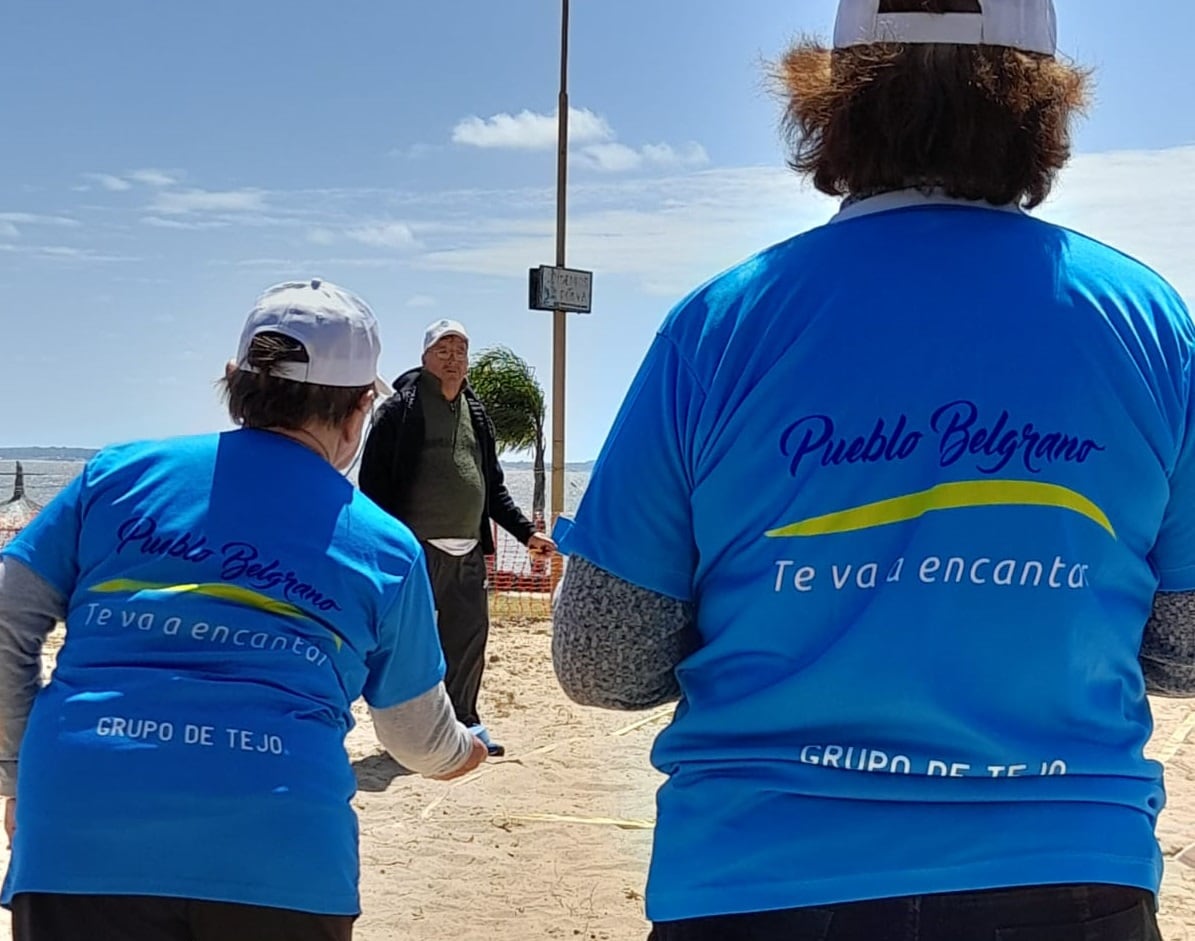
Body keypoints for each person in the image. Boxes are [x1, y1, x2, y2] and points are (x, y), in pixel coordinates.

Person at [552, 2, 1189, 938]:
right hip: (1063, 875)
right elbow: (1182, 646)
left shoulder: (720, 324)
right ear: (1046, 105)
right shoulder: (1147, 324)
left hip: (759, 878)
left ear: (833, 99)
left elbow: (603, 660)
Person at [0, 279, 487, 941]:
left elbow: (7, 618)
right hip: (280, 854)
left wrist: (17, 767)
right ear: (361, 408)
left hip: (79, 833)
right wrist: (461, 750)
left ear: (234, 382)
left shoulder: (113, 476)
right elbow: (412, 733)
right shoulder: (382, 544)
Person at [359, 319, 555, 758]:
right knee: (414, 642)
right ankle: (408, 731)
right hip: (416, 551)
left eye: (460, 351)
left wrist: (527, 535)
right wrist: (387, 546)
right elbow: (373, 487)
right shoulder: (399, 410)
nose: (453, 360)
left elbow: (493, 488)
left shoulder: (476, 412)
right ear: (425, 357)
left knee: (468, 638)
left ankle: (464, 721)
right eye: (443, 351)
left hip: (468, 548)